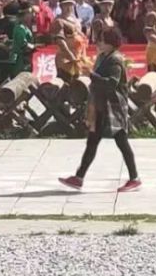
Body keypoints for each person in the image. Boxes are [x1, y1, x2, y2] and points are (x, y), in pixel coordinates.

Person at [59, 27, 141, 193]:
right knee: (92, 141)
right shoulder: (103, 57)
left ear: (111, 42)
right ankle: (79, 177)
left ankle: (134, 178)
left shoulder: (115, 60)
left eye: (102, 40)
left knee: (121, 141)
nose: (99, 43)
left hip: (113, 107)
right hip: (100, 105)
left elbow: (111, 83)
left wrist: (92, 75)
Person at [10, 5, 36, 77]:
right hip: (20, 60)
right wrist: (35, 47)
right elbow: (23, 44)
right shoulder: (20, 28)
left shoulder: (26, 27)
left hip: (26, 59)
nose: (32, 15)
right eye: (29, 13)